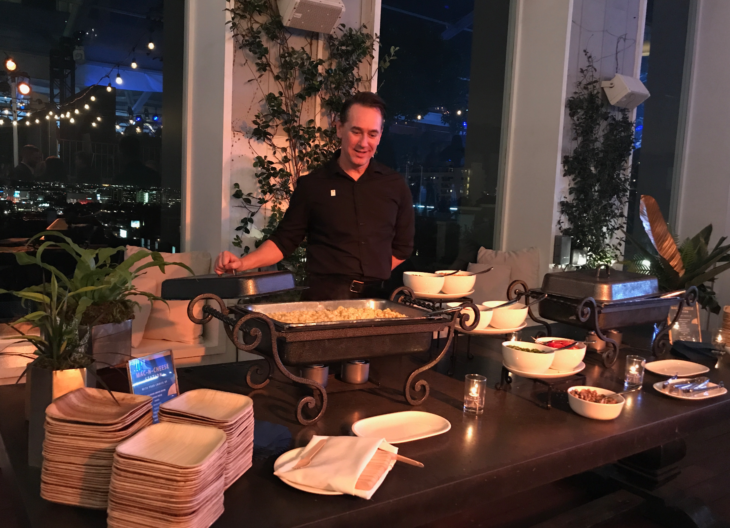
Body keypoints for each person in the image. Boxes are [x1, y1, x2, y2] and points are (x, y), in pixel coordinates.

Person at [215, 92, 415, 301]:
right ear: (339, 128)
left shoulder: (394, 185)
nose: (364, 143)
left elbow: (403, 247)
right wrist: (242, 263)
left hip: (378, 302)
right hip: (323, 301)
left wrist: (372, 273)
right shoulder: (313, 185)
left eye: (372, 134)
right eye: (356, 131)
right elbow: (284, 241)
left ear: (380, 135)